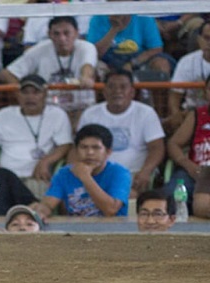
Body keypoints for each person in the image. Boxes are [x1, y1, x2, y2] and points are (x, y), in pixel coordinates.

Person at [77, 70, 165, 197]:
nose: (117, 91)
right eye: (112, 87)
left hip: (134, 174)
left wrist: (146, 171)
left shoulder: (146, 113)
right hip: (96, 173)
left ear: (132, 92)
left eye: (123, 87)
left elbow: (157, 148)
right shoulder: (90, 114)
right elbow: (78, 148)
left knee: (127, 196)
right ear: (104, 91)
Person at [0, 74, 73, 199]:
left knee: (34, 209)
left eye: (35, 92)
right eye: (25, 92)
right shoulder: (4, 114)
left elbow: (65, 145)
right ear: (18, 95)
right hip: (6, 176)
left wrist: (45, 161)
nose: (30, 97)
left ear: (45, 94)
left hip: (36, 176)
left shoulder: (57, 115)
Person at [0, 16, 97, 118]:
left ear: (76, 33)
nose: (62, 38)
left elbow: (87, 66)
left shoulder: (87, 47)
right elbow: (6, 74)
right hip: (48, 111)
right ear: (49, 34)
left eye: (66, 33)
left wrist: (86, 77)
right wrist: (22, 94)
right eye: (56, 34)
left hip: (81, 108)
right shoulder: (40, 49)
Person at [35, 124, 132, 218]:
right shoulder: (64, 173)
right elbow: (48, 204)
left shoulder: (120, 173)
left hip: (113, 230)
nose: (89, 152)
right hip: (76, 230)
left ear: (108, 152)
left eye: (96, 148)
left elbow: (111, 210)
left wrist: (85, 177)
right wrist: (41, 212)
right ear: (76, 151)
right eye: (84, 147)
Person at [86, 4, 173, 77]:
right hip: (107, 61)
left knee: (161, 64)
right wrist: (114, 29)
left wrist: (132, 64)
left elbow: (156, 48)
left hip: (138, 60)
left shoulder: (143, 17)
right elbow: (95, 53)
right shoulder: (97, 18)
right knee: (91, 68)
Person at [165, 75, 210, 214]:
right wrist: (187, 164)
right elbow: (173, 144)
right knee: (169, 196)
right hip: (196, 171)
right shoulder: (197, 115)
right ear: (205, 92)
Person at [166, 22, 210, 133]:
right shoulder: (187, 61)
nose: (209, 43)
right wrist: (176, 115)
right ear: (199, 39)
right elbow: (175, 95)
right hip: (192, 113)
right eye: (206, 38)